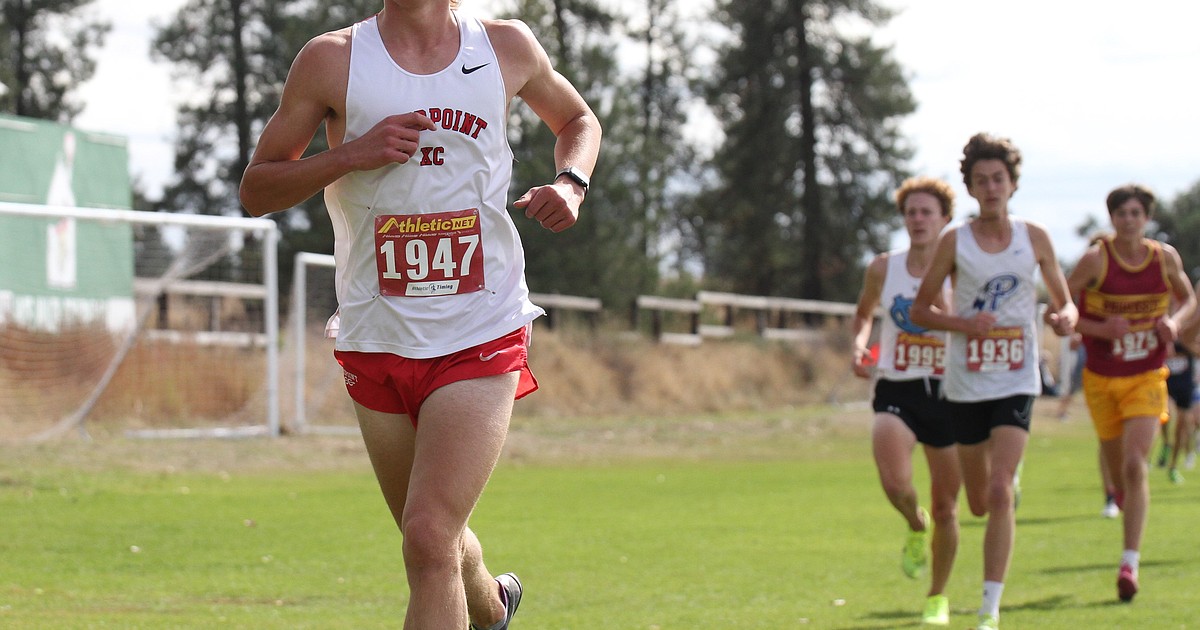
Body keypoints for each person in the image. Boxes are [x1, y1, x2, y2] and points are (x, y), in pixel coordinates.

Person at [239, 2, 602, 628]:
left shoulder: (506, 45)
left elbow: (576, 118)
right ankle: (494, 608)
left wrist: (570, 183)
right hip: (375, 332)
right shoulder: (332, 60)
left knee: (429, 535)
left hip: (480, 328)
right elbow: (257, 189)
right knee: (437, 540)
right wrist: (351, 155)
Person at [911, 133, 1076, 630]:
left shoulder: (1036, 237)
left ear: (1012, 183)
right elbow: (921, 310)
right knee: (979, 501)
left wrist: (1064, 317)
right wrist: (964, 325)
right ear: (970, 186)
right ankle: (1003, 487)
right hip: (965, 381)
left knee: (1001, 491)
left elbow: (1065, 302)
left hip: (1017, 376)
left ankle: (989, 609)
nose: (990, 187)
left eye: (997, 179)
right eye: (980, 180)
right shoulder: (954, 241)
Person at [1064, 183, 1196, 603]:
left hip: (1146, 375)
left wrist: (1174, 324)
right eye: (1122, 213)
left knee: (1137, 464)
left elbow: (1189, 299)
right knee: (1117, 463)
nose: (1129, 220)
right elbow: (1061, 308)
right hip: (1102, 377)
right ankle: (1119, 492)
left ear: (1147, 218)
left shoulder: (1164, 258)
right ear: (1112, 218)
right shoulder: (1094, 261)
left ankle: (1129, 563)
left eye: (1137, 213)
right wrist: (1100, 328)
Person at [851, 176, 962, 626]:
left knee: (948, 506)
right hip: (897, 386)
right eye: (911, 212)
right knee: (896, 484)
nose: (917, 220)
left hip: (951, 392)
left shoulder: (962, 270)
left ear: (945, 220)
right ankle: (916, 527)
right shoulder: (884, 267)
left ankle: (938, 596)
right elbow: (863, 314)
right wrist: (859, 344)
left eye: (926, 212)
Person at [1165, 342, 1198, 483]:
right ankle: (1166, 445)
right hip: (1165, 385)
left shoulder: (1189, 335)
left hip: (1185, 388)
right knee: (1166, 416)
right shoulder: (1163, 331)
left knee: (1182, 427)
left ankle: (1173, 465)